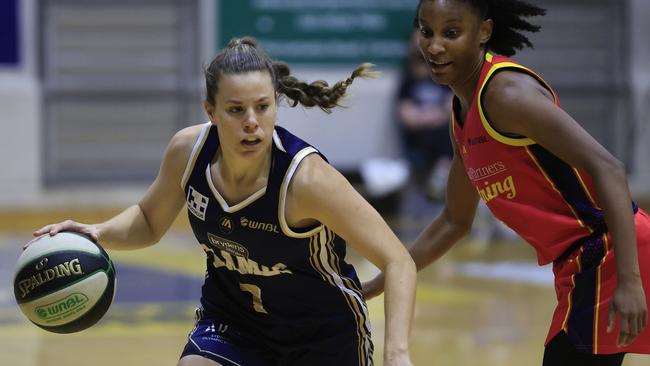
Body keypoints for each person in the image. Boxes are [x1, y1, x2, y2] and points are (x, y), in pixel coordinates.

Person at [33, 37, 416, 366]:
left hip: (322, 336)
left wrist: (397, 354)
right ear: (211, 111)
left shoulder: (307, 180)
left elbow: (398, 260)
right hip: (236, 321)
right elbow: (149, 221)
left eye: (263, 107)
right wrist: (96, 232)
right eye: (236, 110)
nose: (252, 121)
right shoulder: (188, 152)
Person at [363, 1, 650, 365]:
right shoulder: (461, 117)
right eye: (426, 31)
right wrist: (378, 283)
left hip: (608, 253)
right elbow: (454, 220)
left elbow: (609, 168)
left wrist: (629, 280)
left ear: (484, 32)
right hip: (579, 264)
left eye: (451, 33)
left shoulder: (506, 95)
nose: (434, 46)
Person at [395, 29, 453, 200]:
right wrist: (431, 116)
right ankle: (441, 174)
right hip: (419, 134)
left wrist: (427, 115)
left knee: (450, 131)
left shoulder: (444, 74)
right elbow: (406, 115)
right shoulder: (408, 78)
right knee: (433, 135)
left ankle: (442, 172)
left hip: (442, 129)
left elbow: (452, 106)